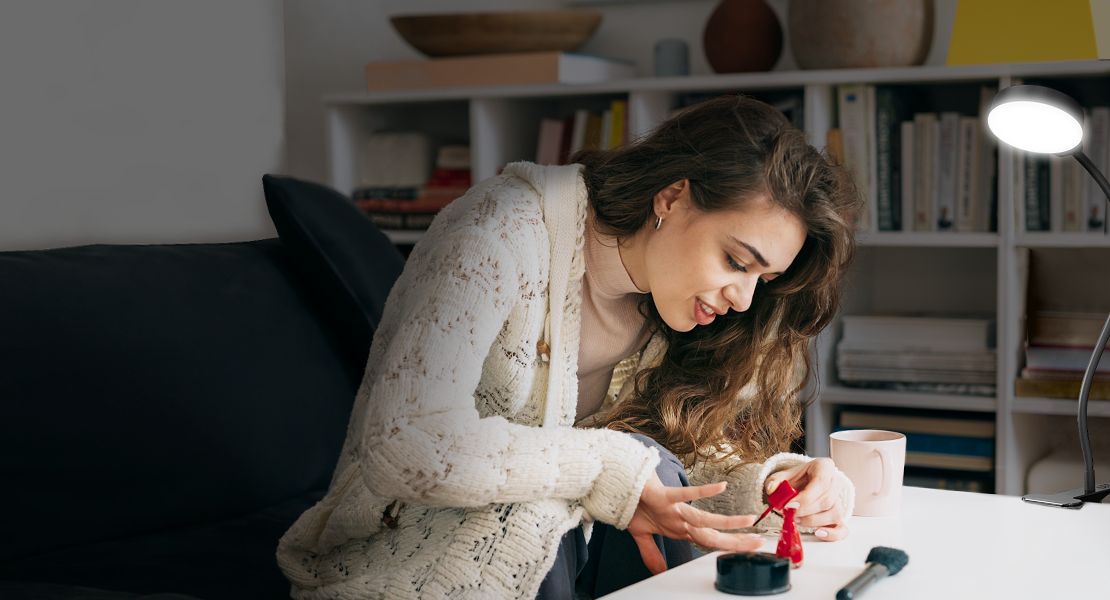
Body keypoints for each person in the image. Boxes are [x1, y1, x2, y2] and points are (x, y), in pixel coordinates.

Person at [276, 96, 864, 600]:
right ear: (673, 197)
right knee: (570, 497)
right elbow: (405, 442)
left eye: (761, 280)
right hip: (401, 549)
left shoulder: (676, 308)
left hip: (569, 553)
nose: (742, 299)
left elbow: (667, 470)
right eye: (737, 261)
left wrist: (774, 486)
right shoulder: (500, 229)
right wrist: (610, 464)